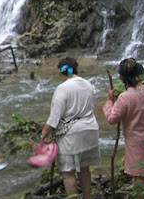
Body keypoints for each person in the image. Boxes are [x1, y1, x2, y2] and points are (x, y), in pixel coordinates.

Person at [40, 57, 100, 199]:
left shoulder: (63, 88)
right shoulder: (88, 84)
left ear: (62, 73)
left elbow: (55, 117)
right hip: (90, 130)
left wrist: (45, 133)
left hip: (71, 136)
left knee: (68, 173)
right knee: (84, 170)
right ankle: (87, 197)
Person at [104, 58, 144, 198]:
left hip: (135, 140)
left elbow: (112, 118)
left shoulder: (125, 97)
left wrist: (109, 101)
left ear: (122, 78)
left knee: (138, 173)